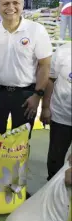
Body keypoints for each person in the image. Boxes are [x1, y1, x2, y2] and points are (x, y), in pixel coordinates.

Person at [0, 0, 52, 197]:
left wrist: (37, 95)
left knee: (21, 144)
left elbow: (45, 65)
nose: (10, 8)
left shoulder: (35, 31)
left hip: (26, 96)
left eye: (15, 3)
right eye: (5, 3)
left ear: (22, 5)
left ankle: (17, 187)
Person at [40, 43, 72, 180]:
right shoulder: (63, 51)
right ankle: (51, 186)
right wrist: (45, 108)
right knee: (56, 157)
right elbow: (50, 80)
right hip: (61, 115)